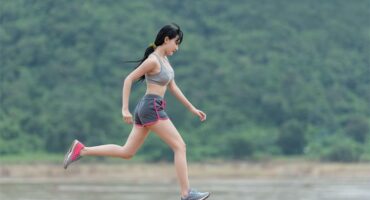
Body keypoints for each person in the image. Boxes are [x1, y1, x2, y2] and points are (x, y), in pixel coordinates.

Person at [63, 23, 210, 200]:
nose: (177, 48)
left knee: (127, 152)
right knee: (180, 146)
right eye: (176, 42)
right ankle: (186, 194)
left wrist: (192, 108)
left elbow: (173, 86)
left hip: (148, 108)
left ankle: (82, 150)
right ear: (166, 39)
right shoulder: (153, 60)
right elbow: (129, 79)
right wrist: (124, 109)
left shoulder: (164, 61)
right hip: (151, 107)